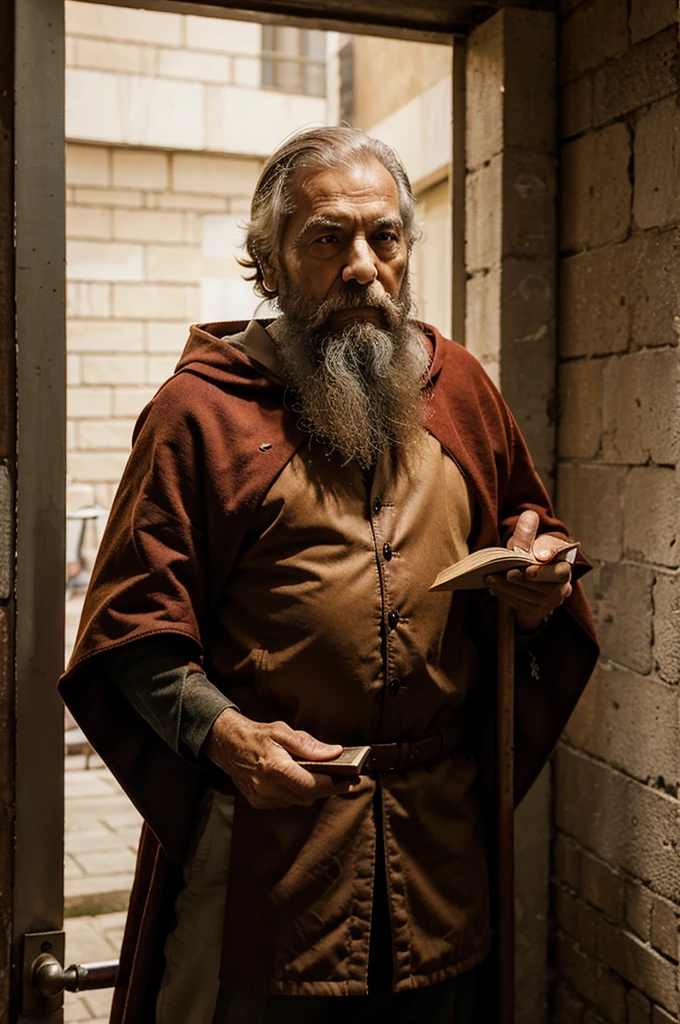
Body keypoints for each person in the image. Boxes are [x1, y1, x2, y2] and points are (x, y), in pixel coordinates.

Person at [59, 126, 598, 1024]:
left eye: (384, 238)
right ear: (268, 264)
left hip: (439, 849)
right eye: (326, 240)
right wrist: (227, 737)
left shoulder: (459, 386)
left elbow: (533, 537)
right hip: (271, 851)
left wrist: (542, 587)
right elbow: (131, 633)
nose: (362, 266)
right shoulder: (198, 414)